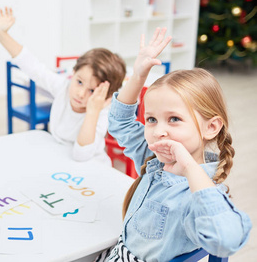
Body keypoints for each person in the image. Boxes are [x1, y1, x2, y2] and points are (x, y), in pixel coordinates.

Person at [96, 28, 252, 261]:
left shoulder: (196, 194)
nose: (159, 131)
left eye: (174, 119)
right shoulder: (155, 158)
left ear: (211, 127)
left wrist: (190, 168)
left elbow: (226, 240)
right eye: (151, 119)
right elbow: (120, 122)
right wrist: (138, 76)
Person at [0, 7, 126, 162]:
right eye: (79, 82)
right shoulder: (64, 87)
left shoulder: (101, 112)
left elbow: (81, 155)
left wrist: (92, 112)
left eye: (91, 90)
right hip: (62, 157)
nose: (81, 93)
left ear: (105, 97)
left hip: (92, 167)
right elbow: (34, 68)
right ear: (73, 73)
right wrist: (1, 34)